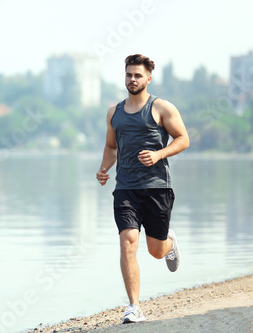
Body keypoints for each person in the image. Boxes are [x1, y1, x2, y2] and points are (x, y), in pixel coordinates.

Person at [96, 54, 190, 324]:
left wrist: (159, 155)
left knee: (155, 250)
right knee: (128, 241)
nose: (132, 79)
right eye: (128, 75)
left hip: (157, 187)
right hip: (125, 188)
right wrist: (104, 169)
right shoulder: (114, 112)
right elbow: (112, 146)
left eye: (138, 75)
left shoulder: (161, 108)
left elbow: (183, 139)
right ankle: (134, 306)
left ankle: (168, 242)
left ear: (148, 78)